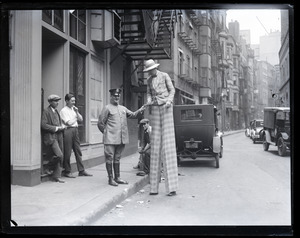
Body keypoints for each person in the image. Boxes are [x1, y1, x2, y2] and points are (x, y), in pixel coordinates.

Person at [143, 59, 178, 196]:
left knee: (168, 146)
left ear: (155, 67)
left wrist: (169, 101)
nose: (150, 71)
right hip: (155, 110)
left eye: (151, 69)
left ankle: (172, 188)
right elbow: (149, 94)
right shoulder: (148, 80)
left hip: (166, 108)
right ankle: (154, 188)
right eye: (148, 70)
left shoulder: (164, 76)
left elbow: (172, 90)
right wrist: (149, 101)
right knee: (155, 145)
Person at [98, 88, 145, 186]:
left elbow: (132, 115)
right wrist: (107, 133)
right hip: (110, 139)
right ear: (111, 96)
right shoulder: (107, 108)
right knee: (109, 158)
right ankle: (110, 179)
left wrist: (140, 110)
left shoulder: (123, 108)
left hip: (121, 139)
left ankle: (117, 177)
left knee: (117, 158)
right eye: (114, 96)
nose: (116, 97)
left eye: (118, 96)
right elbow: (100, 123)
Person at [60, 93, 92, 178]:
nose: (74, 102)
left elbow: (81, 119)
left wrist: (77, 112)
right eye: (72, 101)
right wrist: (75, 118)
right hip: (68, 131)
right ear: (67, 101)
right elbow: (69, 123)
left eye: (74, 101)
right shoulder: (63, 111)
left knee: (78, 151)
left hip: (75, 130)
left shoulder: (74, 110)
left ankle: (81, 170)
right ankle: (67, 171)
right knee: (67, 152)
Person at [41, 94, 65, 183]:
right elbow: (43, 125)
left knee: (61, 155)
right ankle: (48, 166)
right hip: (51, 137)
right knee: (59, 155)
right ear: (50, 102)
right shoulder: (46, 111)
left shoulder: (56, 111)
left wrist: (61, 126)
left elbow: (58, 123)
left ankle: (57, 176)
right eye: (55, 101)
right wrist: (56, 128)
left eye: (58, 101)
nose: (57, 103)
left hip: (59, 136)